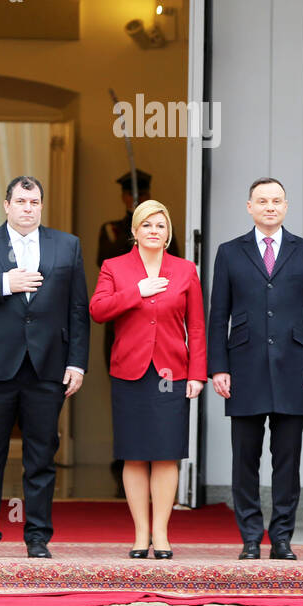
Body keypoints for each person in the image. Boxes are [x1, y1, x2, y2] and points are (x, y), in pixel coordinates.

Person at [0, 175, 88, 558]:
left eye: (35, 202)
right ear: (6, 205)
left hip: (47, 366)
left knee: (41, 457)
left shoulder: (67, 245)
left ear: (41, 206)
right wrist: (4, 283)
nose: (28, 208)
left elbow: (78, 309)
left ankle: (38, 538)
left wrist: (77, 362)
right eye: (21, 202)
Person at [208, 178, 303, 560]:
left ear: (286, 206)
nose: (270, 207)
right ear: (249, 207)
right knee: (245, 459)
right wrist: (218, 367)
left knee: (287, 460)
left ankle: (281, 538)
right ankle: (248, 536)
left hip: (295, 367)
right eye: (262, 201)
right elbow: (218, 316)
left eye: (277, 200)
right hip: (243, 367)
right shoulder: (230, 252)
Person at [90, 200, 205, 558]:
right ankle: (141, 535)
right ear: (135, 232)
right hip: (130, 371)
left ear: (168, 233)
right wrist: (136, 292)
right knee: (135, 455)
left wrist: (198, 374)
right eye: (148, 225)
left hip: (173, 371)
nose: (154, 231)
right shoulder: (115, 267)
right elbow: (97, 310)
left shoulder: (185, 270)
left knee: (167, 455)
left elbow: (197, 327)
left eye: (161, 226)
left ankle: (162, 534)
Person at [96, 169, 179, 494]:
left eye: (141, 195)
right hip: (124, 330)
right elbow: (107, 273)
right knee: (126, 402)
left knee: (163, 423)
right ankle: (126, 460)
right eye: (131, 196)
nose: (153, 230)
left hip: (165, 342)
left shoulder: (169, 238)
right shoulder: (112, 230)